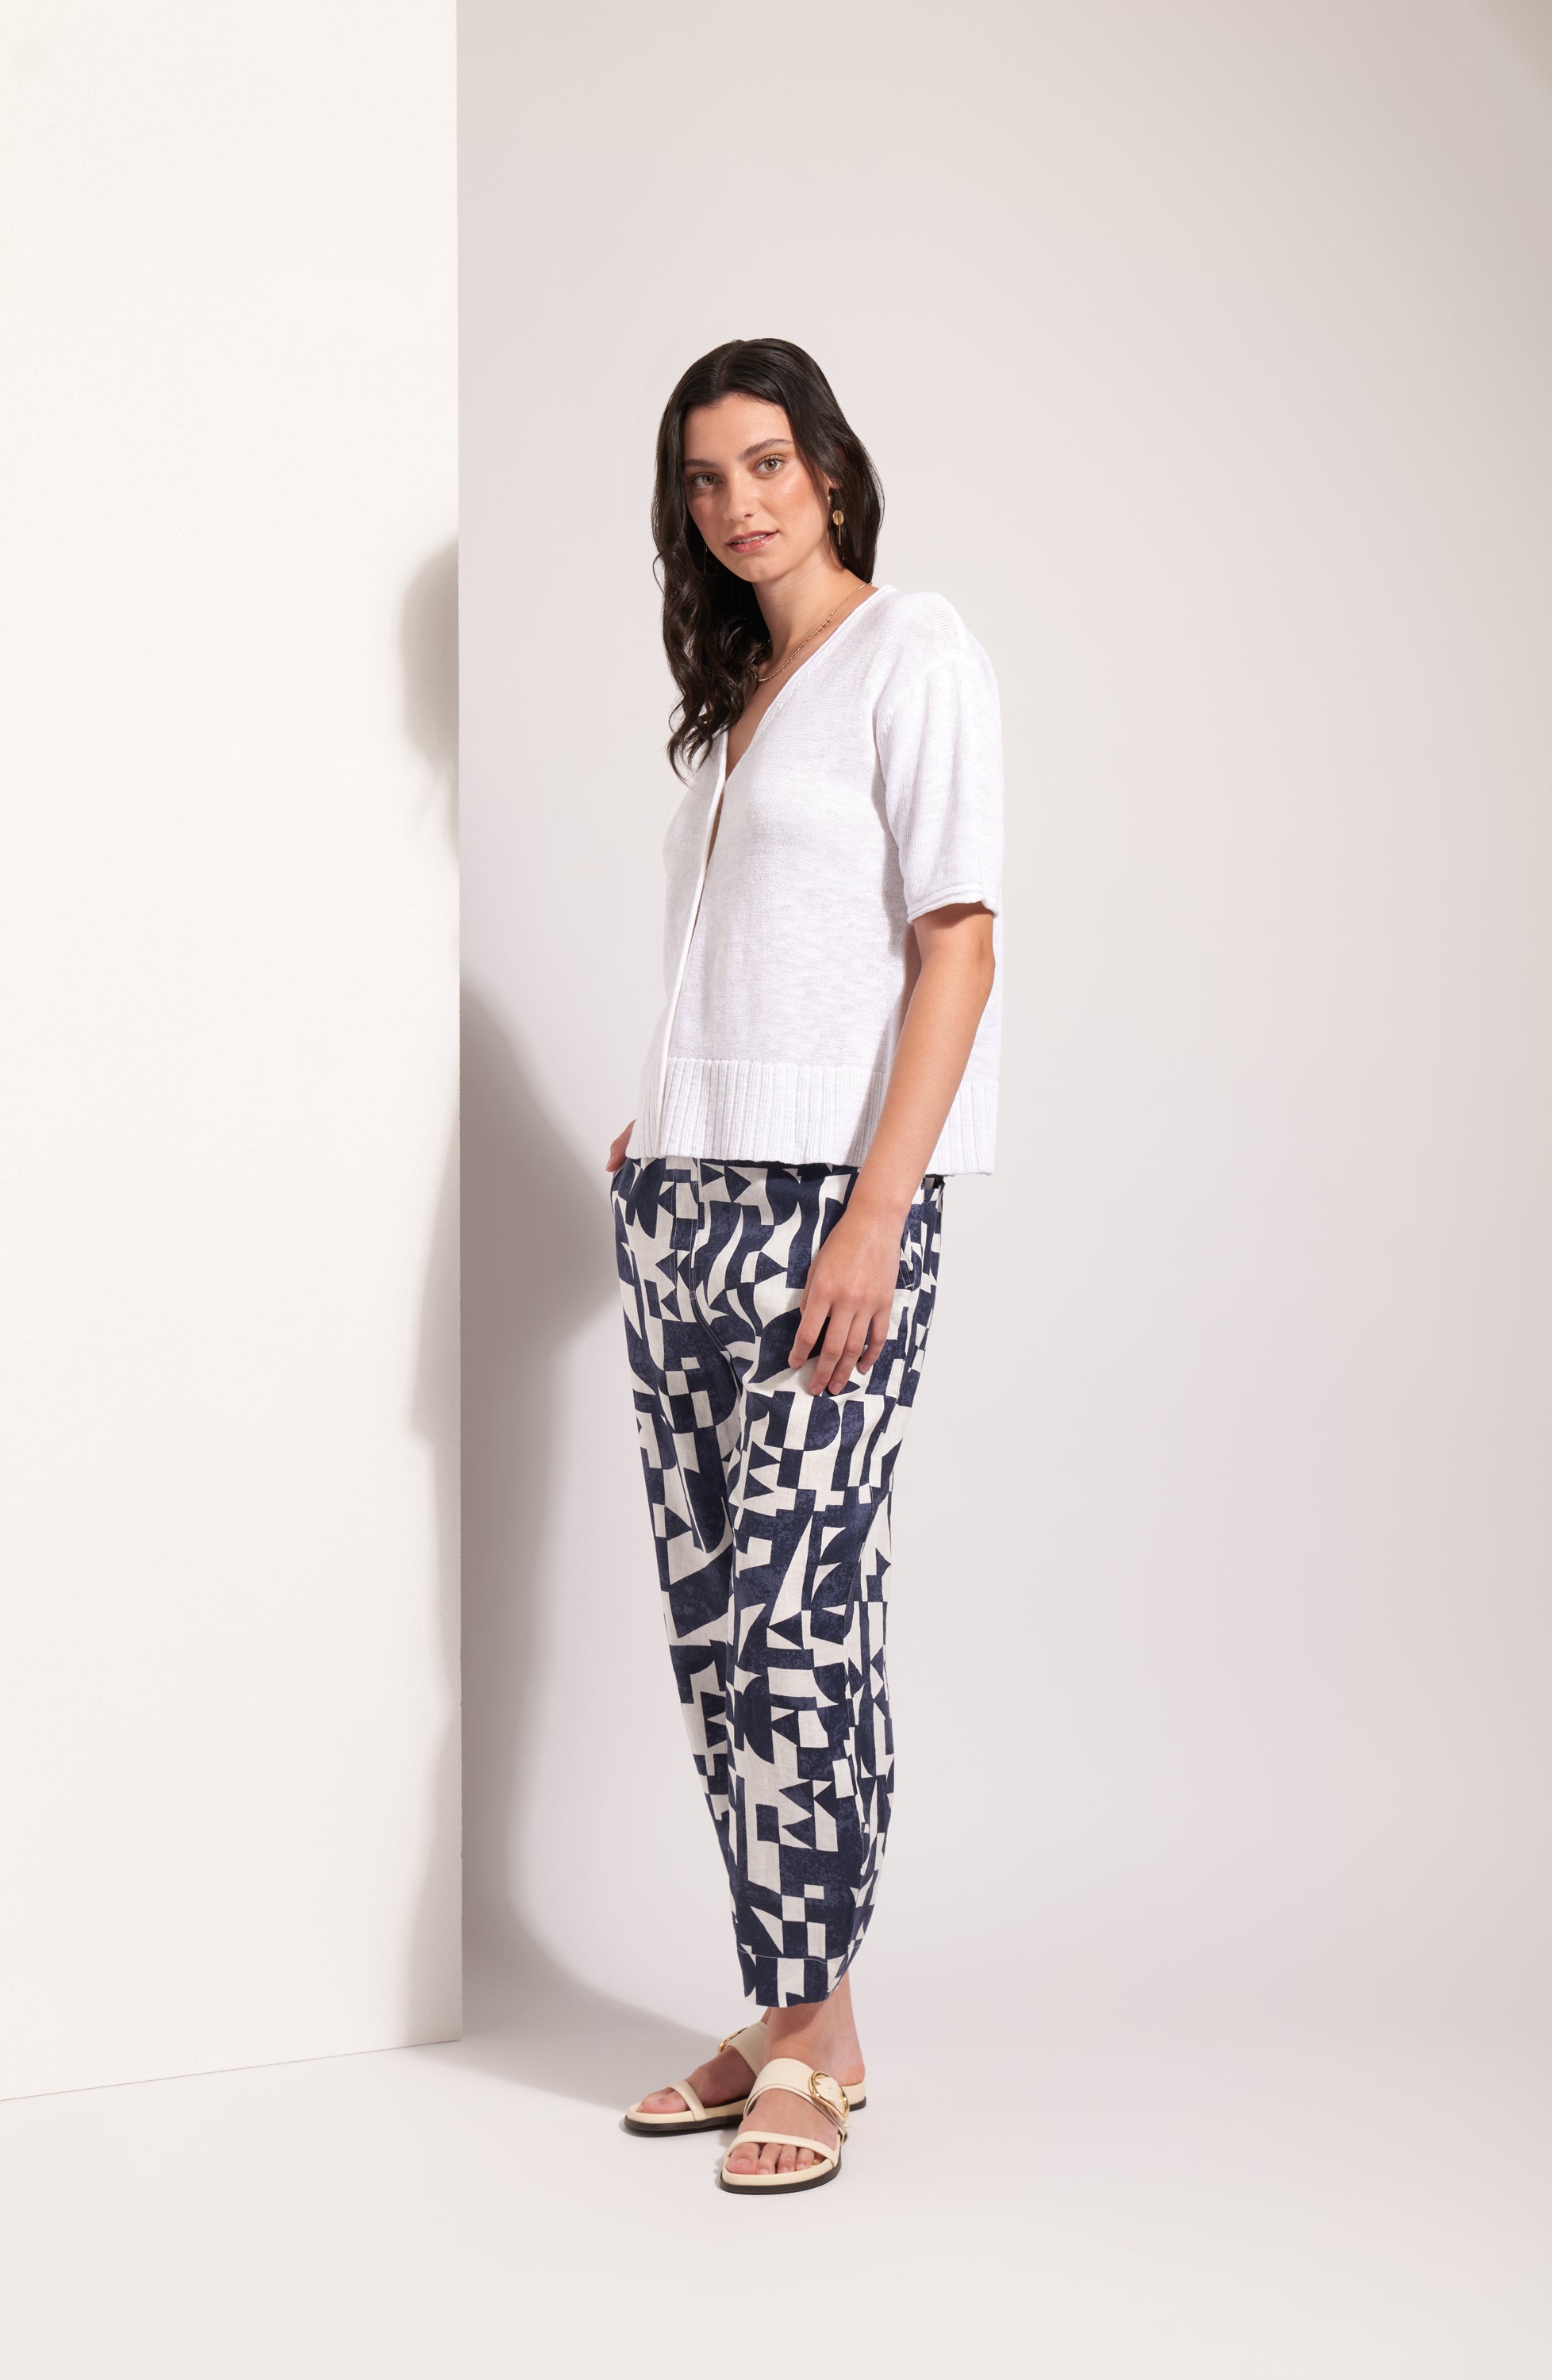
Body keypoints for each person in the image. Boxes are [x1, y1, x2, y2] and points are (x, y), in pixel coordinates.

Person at [605, 336, 1004, 2194]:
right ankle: (787, 2002)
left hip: (827, 1208)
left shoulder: (912, 648)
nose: (738, 502)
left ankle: (822, 2037)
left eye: (766, 462)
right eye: (705, 478)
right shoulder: (739, 700)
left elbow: (956, 945)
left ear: (828, 470)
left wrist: (872, 1211)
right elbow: (763, 956)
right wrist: (667, 1118)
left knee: (797, 1620)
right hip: (686, 1200)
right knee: (715, 1632)